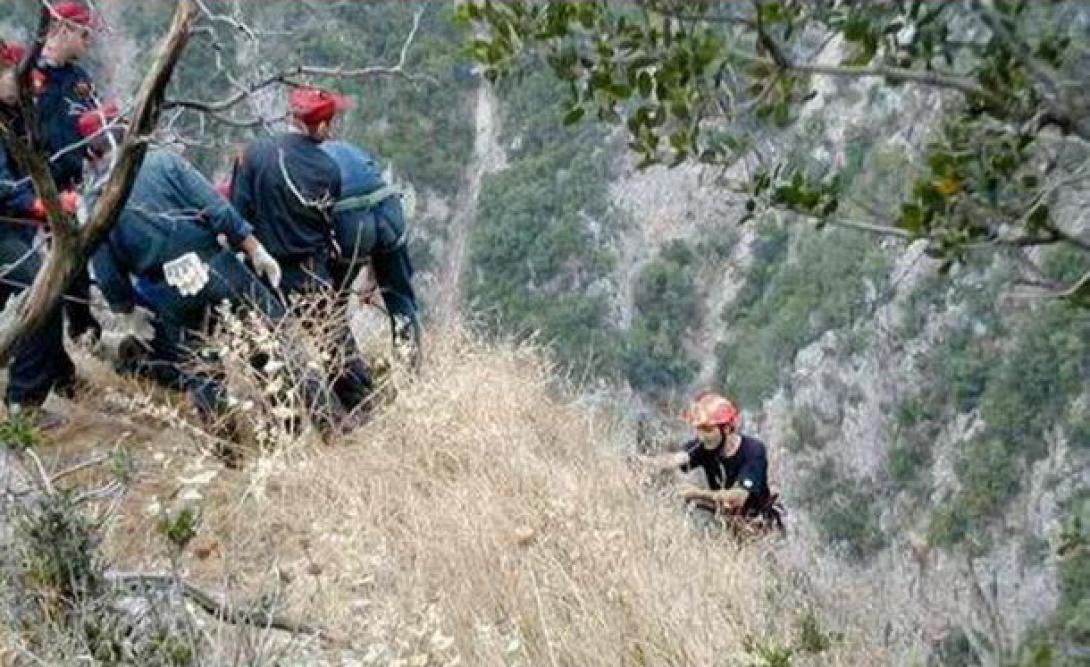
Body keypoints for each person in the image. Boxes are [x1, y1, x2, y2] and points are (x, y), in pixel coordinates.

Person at [78, 108, 290, 421]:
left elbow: (107, 273)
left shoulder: (94, 200)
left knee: (202, 371)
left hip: (167, 291)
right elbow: (218, 210)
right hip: (216, 266)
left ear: (90, 154)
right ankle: (291, 423)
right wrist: (254, 249)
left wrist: (128, 311)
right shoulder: (165, 161)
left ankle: (225, 441)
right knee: (267, 342)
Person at [230, 86, 372, 412]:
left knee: (267, 355)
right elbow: (326, 223)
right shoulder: (328, 169)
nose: (330, 131)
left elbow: (237, 216)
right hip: (310, 273)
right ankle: (363, 413)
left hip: (262, 272)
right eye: (329, 124)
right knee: (334, 345)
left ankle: (289, 423)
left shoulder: (251, 154)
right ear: (319, 126)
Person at [0, 41, 78, 421]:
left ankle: (59, 376)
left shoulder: (14, 116)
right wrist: (40, 204)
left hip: (11, 228)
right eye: (15, 79)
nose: (25, 89)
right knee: (42, 294)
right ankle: (25, 403)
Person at [35, 1, 104, 342]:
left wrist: (96, 144)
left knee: (74, 258)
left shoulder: (80, 80)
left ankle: (81, 327)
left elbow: (91, 123)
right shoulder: (27, 74)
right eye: (84, 34)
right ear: (64, 29)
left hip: (70, 187)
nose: (88, 42)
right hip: (31, 185)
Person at [320, 139, 420, 364]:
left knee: (332, 306)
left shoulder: (308, 160)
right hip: (389, 211)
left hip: (350, 222)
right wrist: (375, 272)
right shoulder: (352, 150)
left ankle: (351, 374)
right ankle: (411, 367)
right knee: (400, 298)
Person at [637, 392, 784, 535]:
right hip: (730, 524)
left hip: (761, 528)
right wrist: (644, 463)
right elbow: (675, 459)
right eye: (699, 429)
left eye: (708, 429)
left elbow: (737, 498)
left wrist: (696, 493)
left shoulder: (753, 451)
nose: (702, 437)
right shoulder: (705, 446)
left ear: (726, 429)